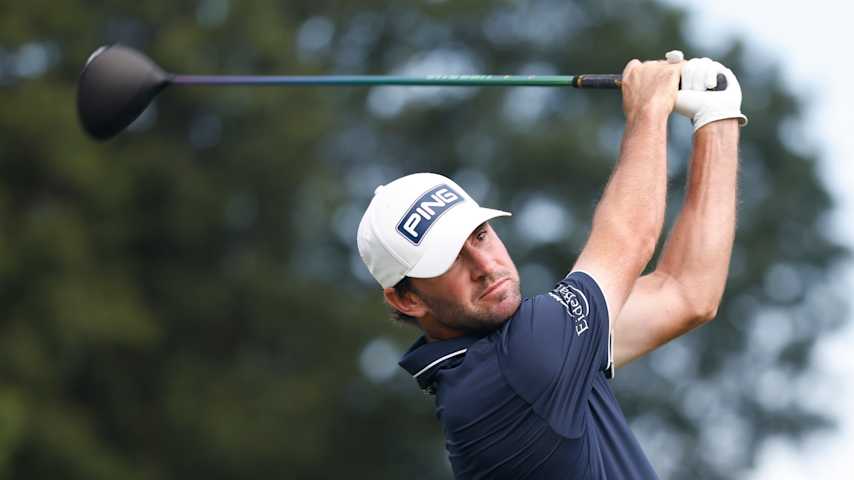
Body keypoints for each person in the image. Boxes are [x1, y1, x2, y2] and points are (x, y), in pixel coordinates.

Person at [356, 52, 746, 479]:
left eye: (481, 235)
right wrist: (649, 108)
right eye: (450, 258)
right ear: (407, 298)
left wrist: (717, 116)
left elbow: (686, 293)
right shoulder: (517, 367)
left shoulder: (531, 354)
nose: (485, 264)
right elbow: (630, 239)